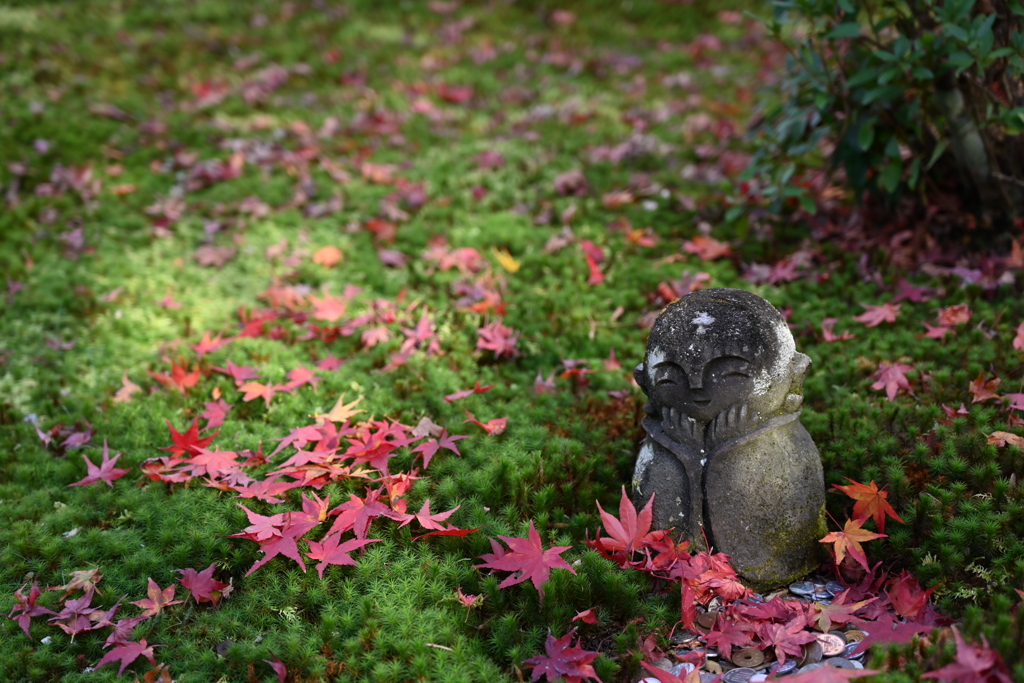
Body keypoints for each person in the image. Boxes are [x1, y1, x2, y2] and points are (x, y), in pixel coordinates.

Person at [632, 288, 825, 586]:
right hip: (680, 578)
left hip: (761, 574)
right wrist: (687, 452)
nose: (696, 387)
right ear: (645, 381)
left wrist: (728, 450)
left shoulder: (788, 447)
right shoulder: (661, 439)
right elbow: (661, 515)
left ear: (793, 377)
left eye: (730, 375)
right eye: (671, 376)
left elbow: (777, 528)